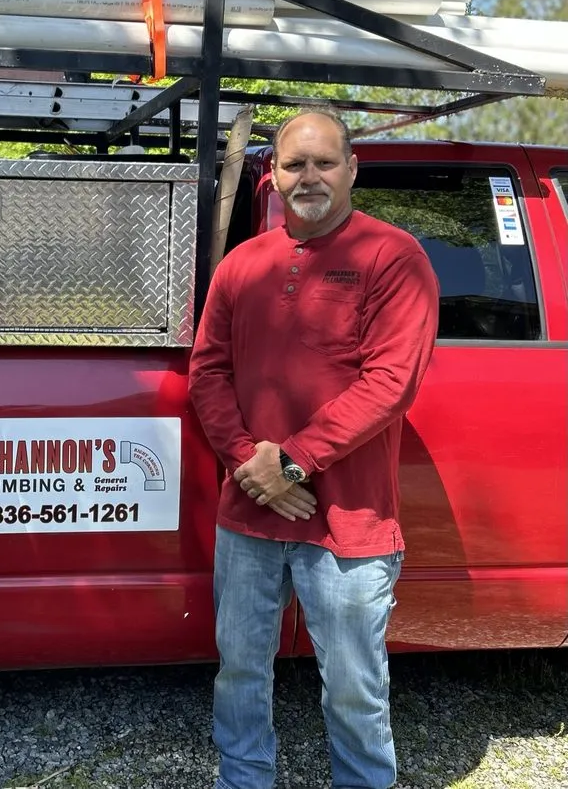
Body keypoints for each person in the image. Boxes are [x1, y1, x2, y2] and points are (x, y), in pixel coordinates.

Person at [188, 107, 439, 789]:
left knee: (353, 684)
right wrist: (251, 464)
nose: (309, 177)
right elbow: (207, 371)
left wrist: (290, 461)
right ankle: (244, 777)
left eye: (324, 162)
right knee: (239, 667)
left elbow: (391, 383)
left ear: (352, 169)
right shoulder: (244, 263)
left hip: (349, 524)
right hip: (249, 516)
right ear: (273, 175)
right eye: (294, 164)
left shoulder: (394, 258)